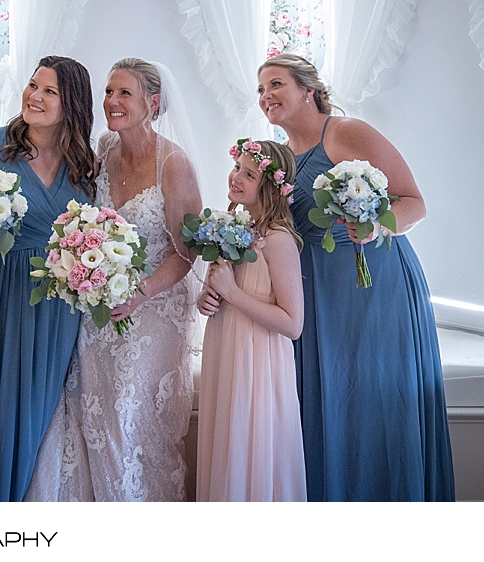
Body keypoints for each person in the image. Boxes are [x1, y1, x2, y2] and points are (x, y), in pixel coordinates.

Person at [257, 53, 455, 502]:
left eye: (276, 85)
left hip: (372, 288)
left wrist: (375, 225)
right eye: (261, 90)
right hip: (312, 295)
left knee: (372, 405)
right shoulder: (280, 158)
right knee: (326, 405)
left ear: (308, 90)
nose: (266, 96)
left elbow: (414, 202)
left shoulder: (346, 133)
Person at [25, 58, 202, 502]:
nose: (111, 101)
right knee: (90, 419)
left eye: (124, 93)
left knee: (128, 419)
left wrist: (139, 294)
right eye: (108, 92)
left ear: (153, 103)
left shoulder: (173, 164)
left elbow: (188, 252)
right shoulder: (103, 148)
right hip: (100, 310)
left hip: (153, 310)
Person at [0, 55, 97, 502]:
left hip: (50, 310)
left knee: (30, 416)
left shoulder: (84, 166)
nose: (35, 96)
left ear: (72, 105)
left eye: (50, 91)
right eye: (32, 85)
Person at [196, 139, 307, 502]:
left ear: (271, 186)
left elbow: (293, 324)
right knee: (227, 444)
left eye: (249, 173)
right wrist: (209, 297)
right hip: (225, 349)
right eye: (237, 168)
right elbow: (224, 292)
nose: (236, 177)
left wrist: (232, 293)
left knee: (252, 446)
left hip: (257, 361)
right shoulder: (231, 230)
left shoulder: (277, 240)